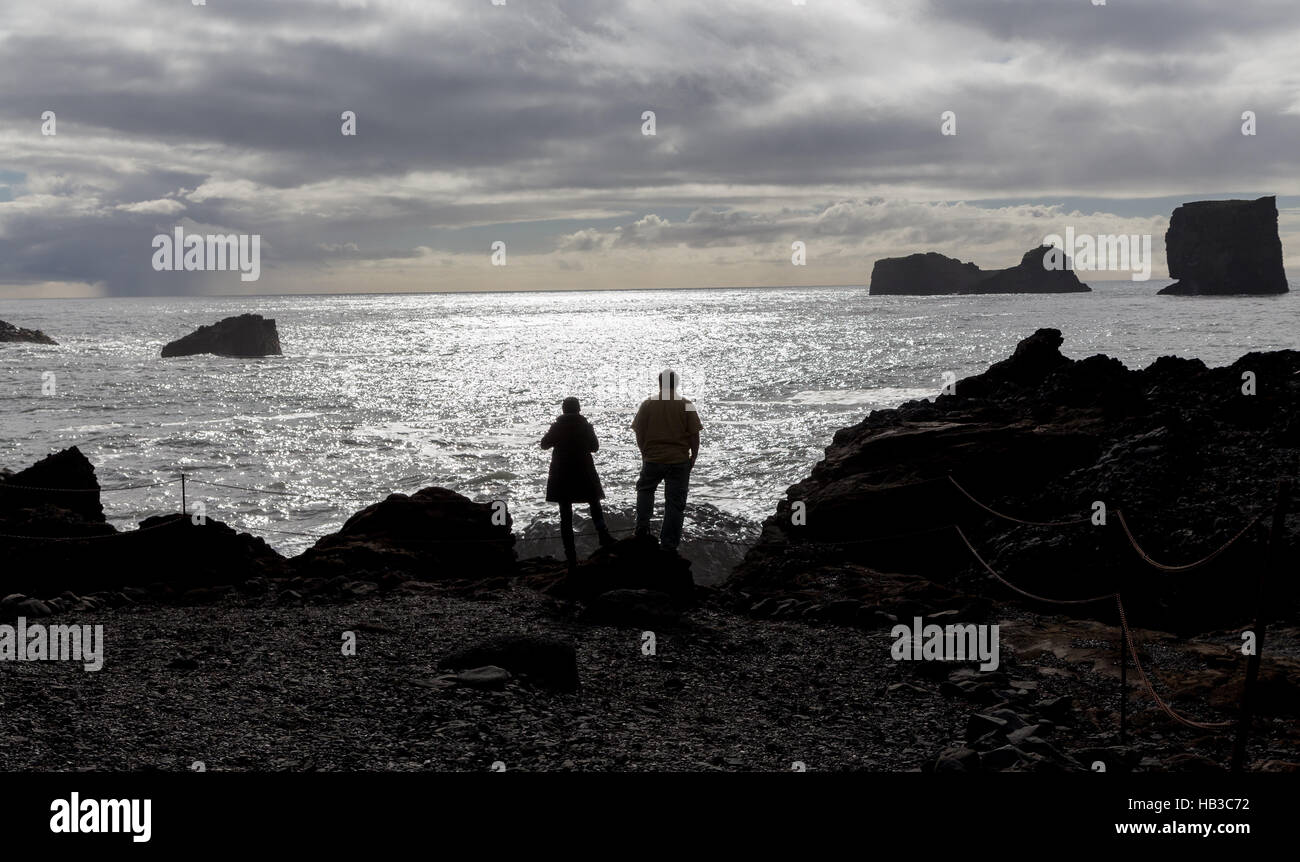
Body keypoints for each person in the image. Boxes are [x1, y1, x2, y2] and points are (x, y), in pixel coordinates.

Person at [631, 369, 702, 549]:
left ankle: (642, 528)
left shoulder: (648, 404)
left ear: (659, 383)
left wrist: (644, 452)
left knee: (645, 490)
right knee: (675, 503)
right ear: (676, 384)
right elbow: (694, 435)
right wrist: (693, 456)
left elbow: (639, 431)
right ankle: (669, 544)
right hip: (679, 460)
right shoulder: (686, 404)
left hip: (653, 458)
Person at [541, 396, 615, 566]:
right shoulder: (585, 426)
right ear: (579, 409)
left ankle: (571, 555)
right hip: (584, 471)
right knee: (594, 505)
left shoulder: (558, 426)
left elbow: (544, 444)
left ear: (563, 410)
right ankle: (603, 534)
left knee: (565, 515)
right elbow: (594, 447)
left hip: (562, 474)